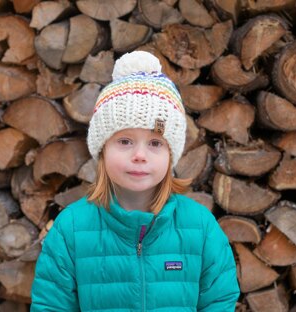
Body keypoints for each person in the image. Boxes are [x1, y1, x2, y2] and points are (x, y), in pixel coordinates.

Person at [30, 51, 240, 311]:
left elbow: (219, 302)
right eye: (125, 141)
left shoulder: (200, 227)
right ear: (103, 149)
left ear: (170, 154)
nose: (140, 155)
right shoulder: (70, 230)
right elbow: (51, 306)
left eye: (155, 143)